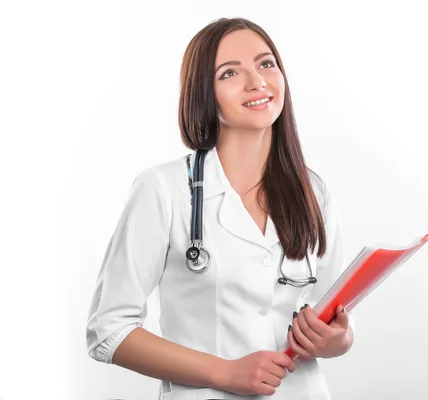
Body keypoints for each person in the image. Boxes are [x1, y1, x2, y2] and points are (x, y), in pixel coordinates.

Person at [85, 17, 356, 400]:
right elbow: (108, 330)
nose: (257, 81)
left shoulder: (313, 191)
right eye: (230, 73)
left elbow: (333, 312)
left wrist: (337, 339)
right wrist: (225, 373)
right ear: (203, 94)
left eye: (266, 64)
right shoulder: (164, 189)